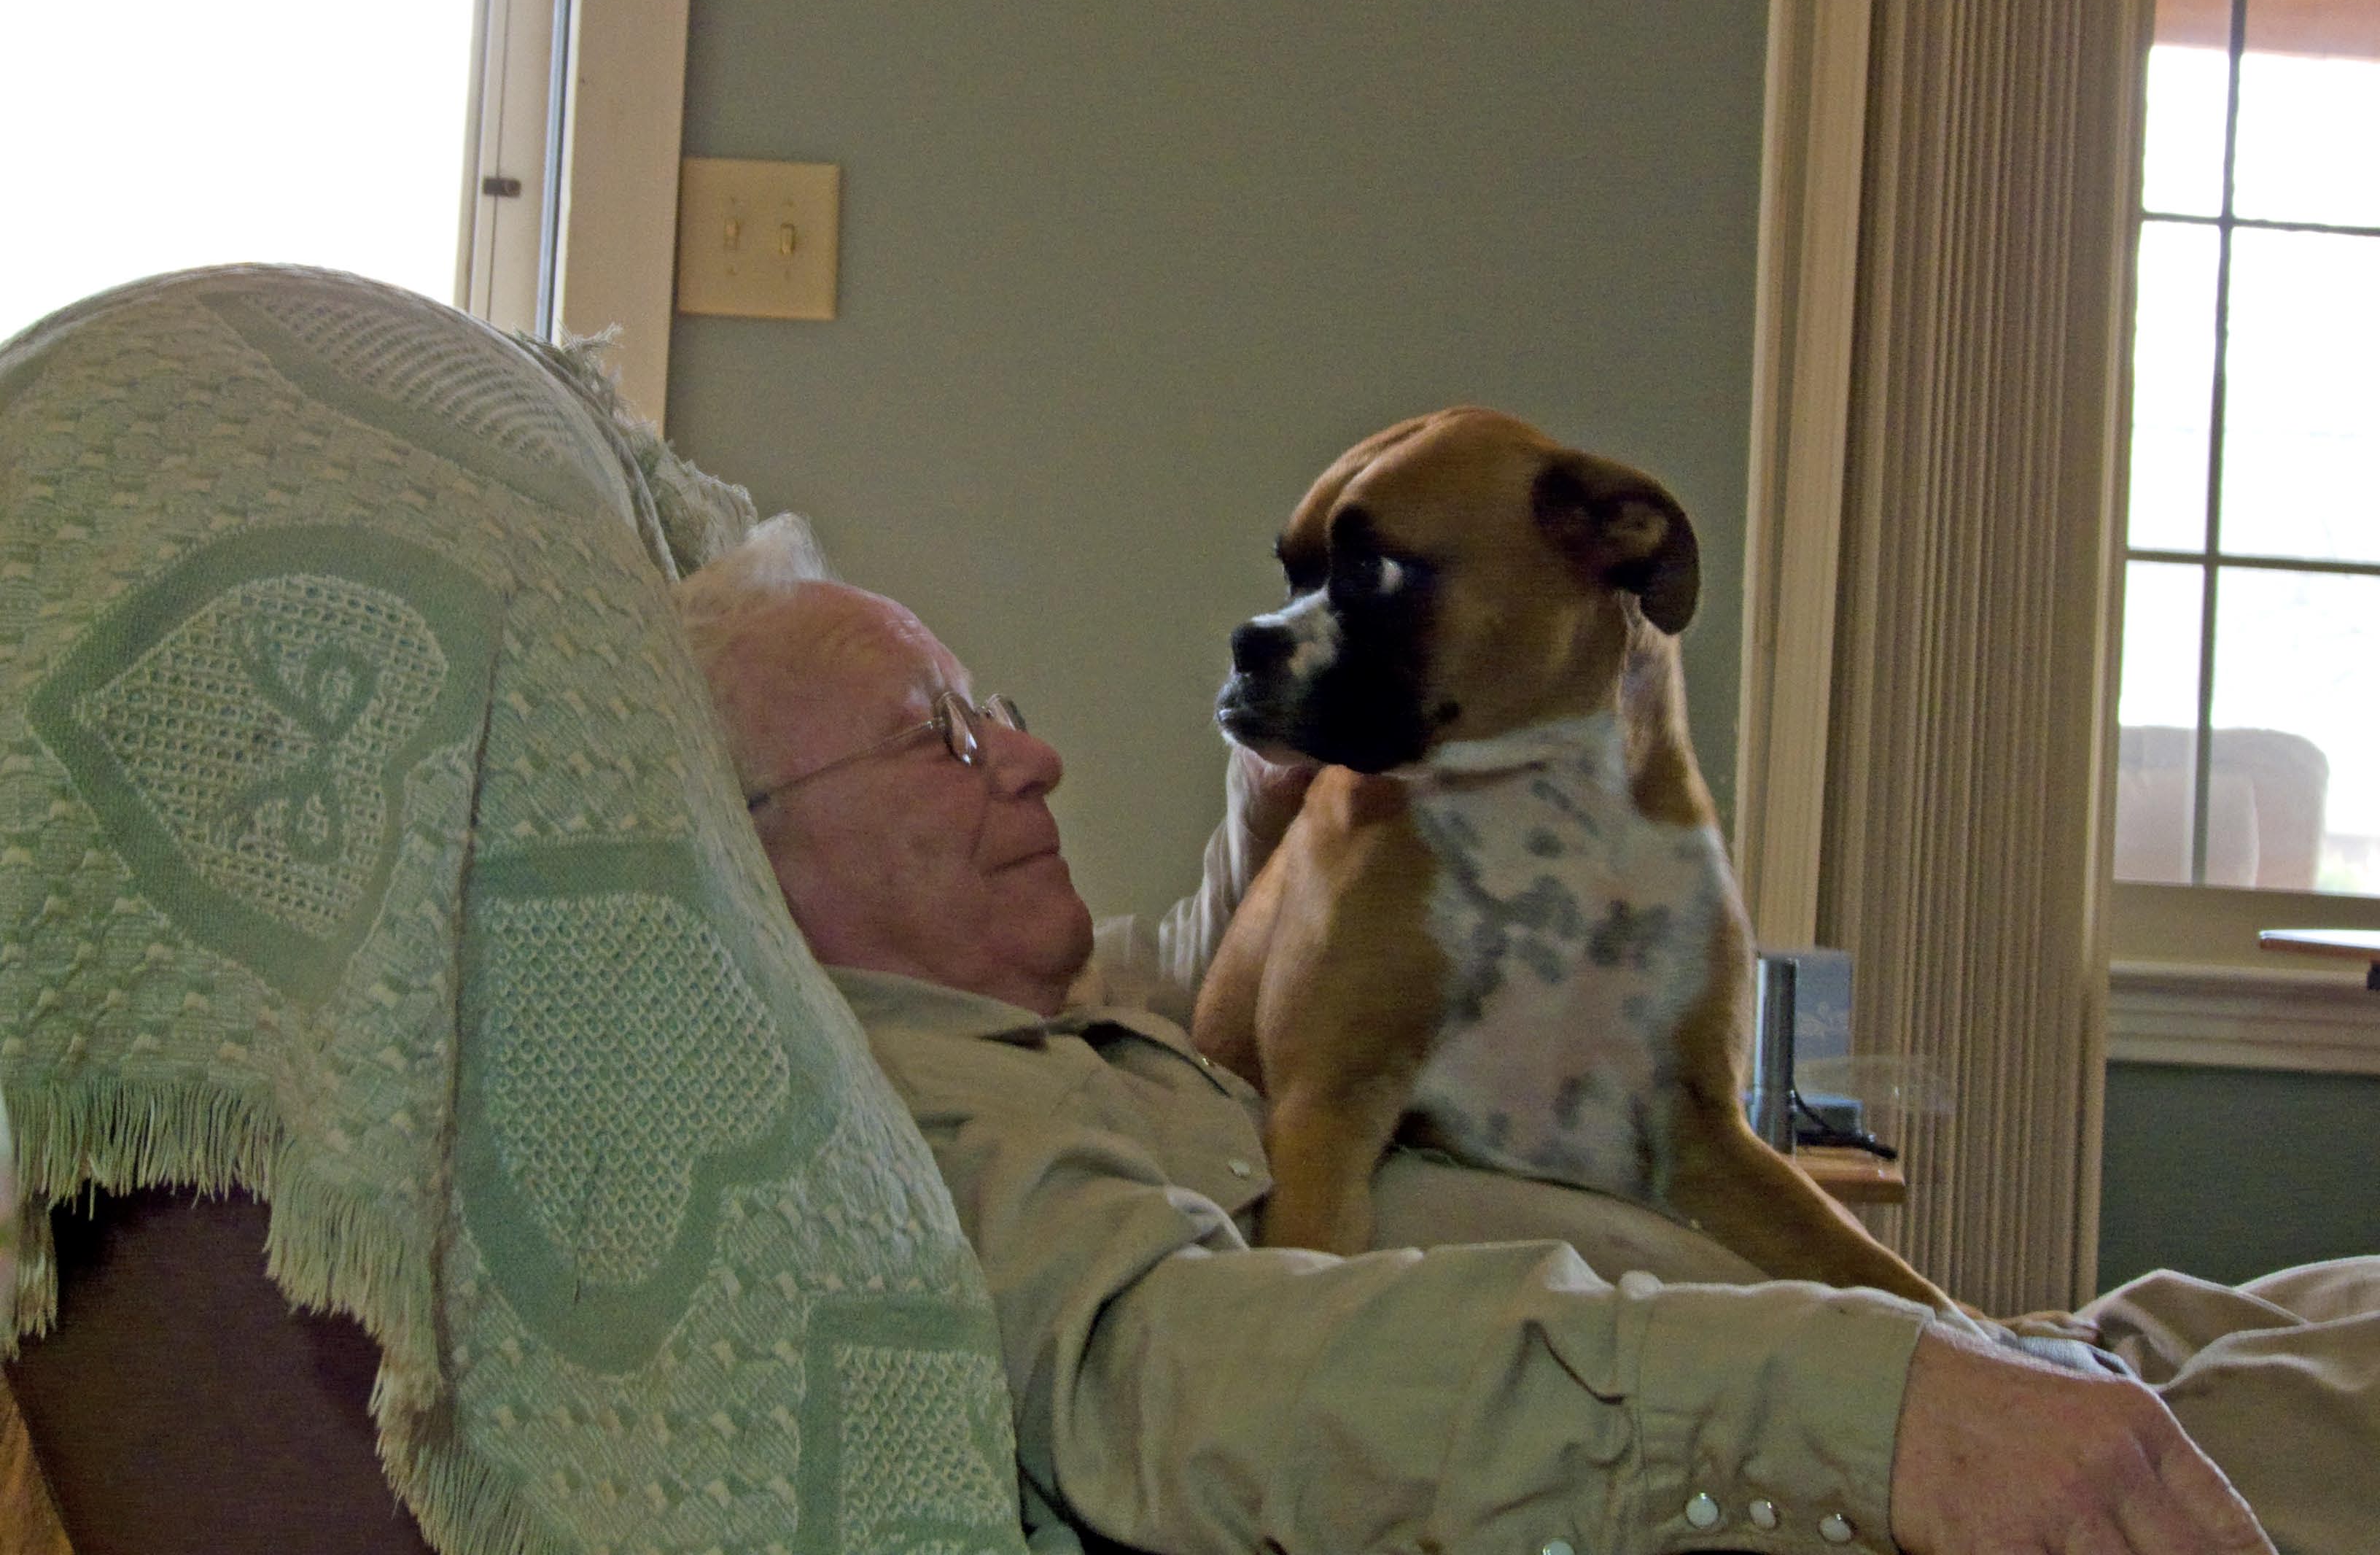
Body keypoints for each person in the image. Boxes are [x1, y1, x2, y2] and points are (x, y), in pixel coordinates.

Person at [677, 517, 2366, 1555]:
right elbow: (1174, 1388)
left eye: (1003, 717)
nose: (1033, 764)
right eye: (943, 742)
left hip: (1965, 1388)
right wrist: (1865, 1410)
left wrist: (1268, 811)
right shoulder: (912, 1118)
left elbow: (1195, 993)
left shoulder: (1052, 1028)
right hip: (1833, 1486)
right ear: (756, 846)